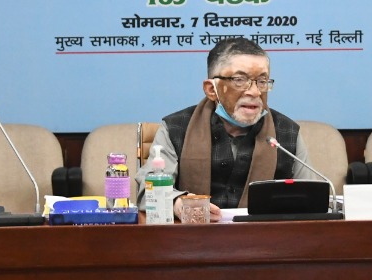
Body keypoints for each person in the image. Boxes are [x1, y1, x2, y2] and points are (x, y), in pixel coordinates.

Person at [135, 37, 319, 221]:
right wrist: (179, 203)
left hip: (264, 235)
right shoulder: (176, 128)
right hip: (192, 235)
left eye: (262, 81)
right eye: (240, 80)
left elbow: (314, 198)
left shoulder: (286, 134)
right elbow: (147, 192)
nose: (255, 92)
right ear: (211, 89)